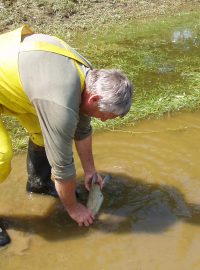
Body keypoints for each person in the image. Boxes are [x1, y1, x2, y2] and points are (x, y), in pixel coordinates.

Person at [0, 25, 133, 246]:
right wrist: (74, 208)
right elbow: (62, 168)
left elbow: (82, 128)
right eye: (107, 115)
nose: (105, 120)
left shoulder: (88, 76)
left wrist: (90, 171)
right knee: (2, 156)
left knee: (42, 134)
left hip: (17, 76)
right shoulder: (61, 105)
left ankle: (39, 184)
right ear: (94, 99)